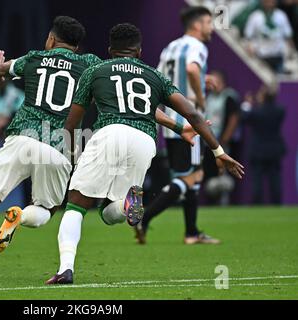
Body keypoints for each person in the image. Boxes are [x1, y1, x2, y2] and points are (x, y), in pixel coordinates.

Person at [45, 23, 244, 285]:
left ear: (109, 50)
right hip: (144, 141)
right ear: (139, 52)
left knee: (76, 204)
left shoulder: (95, 71)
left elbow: (72, 123)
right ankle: (128, 204)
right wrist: (217, 150)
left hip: (109, 133)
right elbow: (192, 114)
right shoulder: (153, 76)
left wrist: (70, 154)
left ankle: (66, 269)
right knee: (109, 213)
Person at [0, 16, 101, 280]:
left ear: (51, 39)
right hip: (58, 145)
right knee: (47, 211)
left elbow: (3, 70)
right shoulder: (90, 64)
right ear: (77, 46)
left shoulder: (34, 58)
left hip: (22, 136)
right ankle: (20, 216)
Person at [136, 6, 220, 245]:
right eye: (208, 22)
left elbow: (161, 80)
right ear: (197, 25)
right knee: (192, 176)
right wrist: (200, 102)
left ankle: (191, 232)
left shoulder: (171, 47)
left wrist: (199, 80)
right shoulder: (197, 47)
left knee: (187, 176)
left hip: (171, 121)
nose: (211, 27)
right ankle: (146, 216)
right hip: (190, 121)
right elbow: (192, 68)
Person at [242, 86, 286, 204]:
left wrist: (247, 104)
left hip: (258, 151)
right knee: (275, 179)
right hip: (274, 150)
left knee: (257, 180)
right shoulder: (279, 111)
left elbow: (244, 116)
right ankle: (277, 204)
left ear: (263, 97)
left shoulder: (256, 112)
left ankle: (257, 204)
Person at [203, 70, 240, 204]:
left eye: (215, 81)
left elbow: (233, 118)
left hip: (222, 142)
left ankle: (224, 202)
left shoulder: (229, 96)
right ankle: (211, 202)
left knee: (223, 172)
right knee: (210, 173)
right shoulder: (209, 97)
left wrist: (225, 139)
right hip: (209, 141)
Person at [245, 0, 295, 73]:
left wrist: (291, 51)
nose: (269, 2)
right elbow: (248, 35)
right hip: (262, 56)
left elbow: (288, 34)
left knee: (279, 79)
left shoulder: (281, 15)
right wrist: (249, 47)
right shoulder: (255, 16)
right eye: (267, 1)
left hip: (278, 55)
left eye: (272, 1)